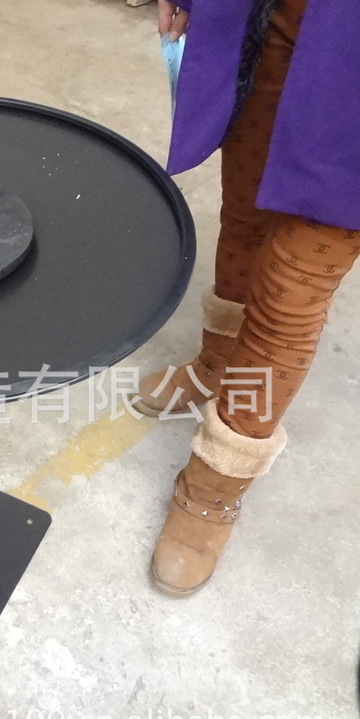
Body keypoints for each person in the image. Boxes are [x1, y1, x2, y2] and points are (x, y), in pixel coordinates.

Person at [138, 0, 358, 594]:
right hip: (273, 16)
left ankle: (213, 487)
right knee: (243, 216)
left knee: (292, 291)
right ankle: (217, 365)